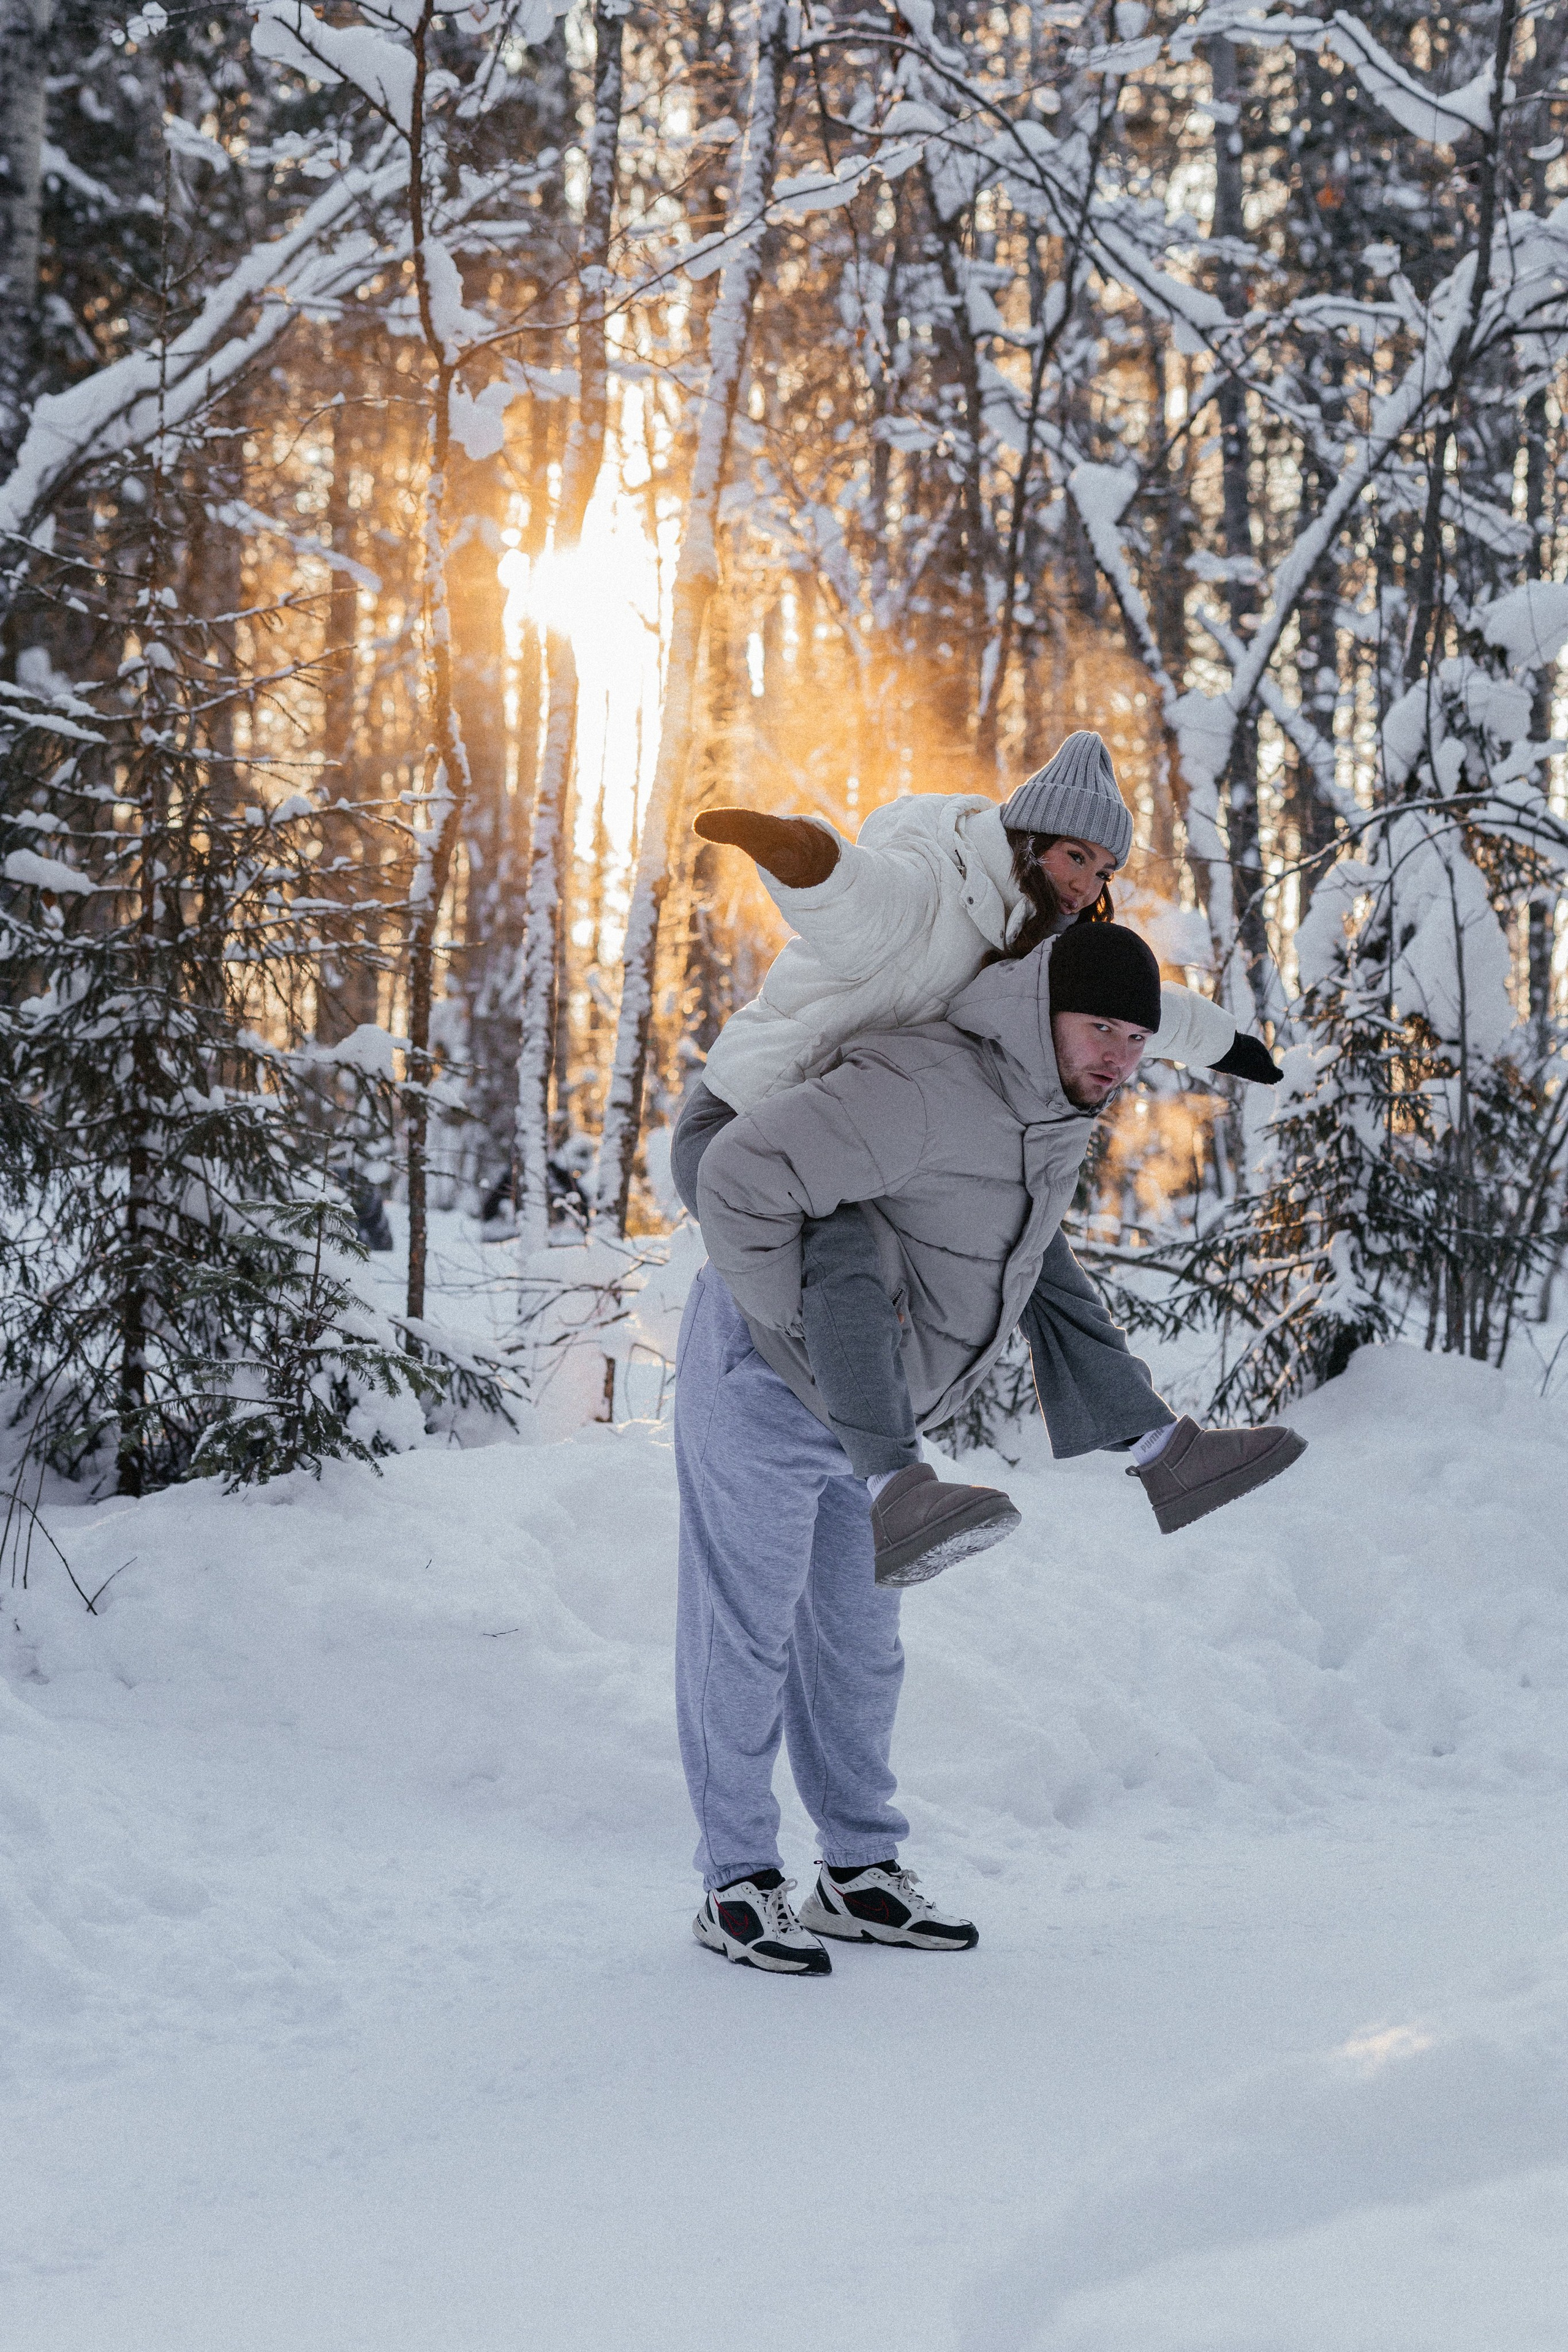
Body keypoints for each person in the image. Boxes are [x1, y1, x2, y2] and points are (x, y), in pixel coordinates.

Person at [677, 924, 1305, 1975]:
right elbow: (736, 1179)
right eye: (1098, 1024)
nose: (1117, 1053)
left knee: (859, 1645)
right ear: (1040, 1012)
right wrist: (791, 1328)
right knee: (746, 1632)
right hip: (765, 1379)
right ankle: (736, 1883)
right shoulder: (926, 1081)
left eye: (1136, 1036)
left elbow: (1019, 1260)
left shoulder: (1048, 1110)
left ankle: (857, 1873)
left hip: (875, 1417)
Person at [674, 731, 1292, 1583]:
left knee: (1030, 1233)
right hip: (746, 1123)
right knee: (841, 1241)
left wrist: (1227, 1044)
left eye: (1105, 870)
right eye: (1077, 856)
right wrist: (800, 854)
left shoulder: (1037, 933)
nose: (1087, 885)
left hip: (870, 1135)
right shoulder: (935, 883)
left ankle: (1162, 1450)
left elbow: (1125, 1001)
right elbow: (858, 898)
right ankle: (895, 1484)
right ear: (1030, 837)